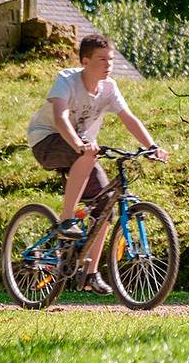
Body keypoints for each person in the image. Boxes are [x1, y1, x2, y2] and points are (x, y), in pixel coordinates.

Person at [26, 34, 168, 295]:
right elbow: (60, 117)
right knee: (87, 155)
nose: (108, 65)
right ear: (85, 61)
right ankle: (66, 219)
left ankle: (90, 272)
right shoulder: (67, 80)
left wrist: (151, 146)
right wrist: (79, 145)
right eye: (102, 59)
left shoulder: (109, 88)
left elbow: (129, 118)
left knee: (105, 207)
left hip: (82, 149)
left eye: (111, 60)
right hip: (48, 141)